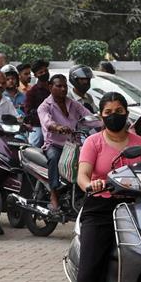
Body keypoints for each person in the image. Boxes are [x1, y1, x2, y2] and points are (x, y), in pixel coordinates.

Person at [64, 92, 141, 282]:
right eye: (109, 111)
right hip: (100, 209)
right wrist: (91, 184)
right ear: (101, 116)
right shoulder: (94, 142)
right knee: (90, 268)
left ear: (127, 112)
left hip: (136, 209)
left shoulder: (140, 143)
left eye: (120, 110)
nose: (115, 115)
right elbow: (83, 175)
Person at [38, 74, 92, 211]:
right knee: (54, 158)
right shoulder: (44, 106)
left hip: (74, 145)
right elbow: (47, 122)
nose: (63, 89)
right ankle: (54, 194)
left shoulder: (73, 104)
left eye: (65, 86)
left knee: (88, 162)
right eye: (59, 86)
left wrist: (105, 121)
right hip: (54, 145)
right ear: (50, 87)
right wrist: (58, 127)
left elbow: (88, 117)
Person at [24, 59, 51, 147]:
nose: (44, 73)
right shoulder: (32, 92)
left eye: (45, 71)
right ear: (35, 75)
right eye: (41, 72)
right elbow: (28, 111)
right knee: (34, 144)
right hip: (39, 125)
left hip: (58, 124)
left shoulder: (54, 87)